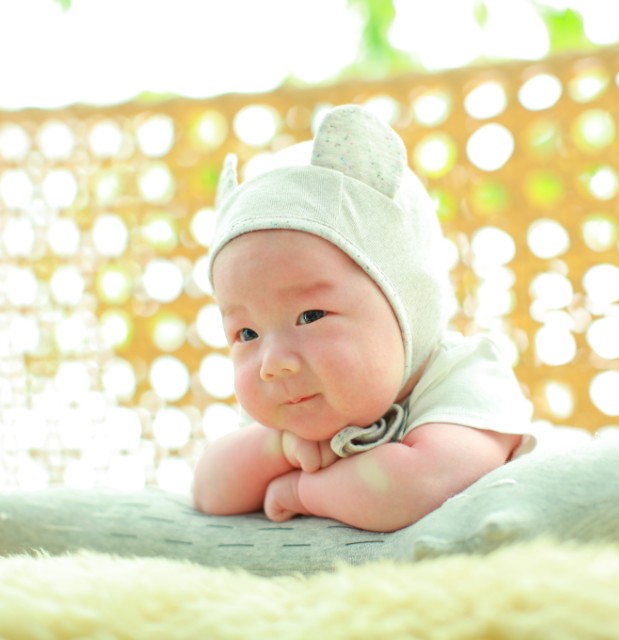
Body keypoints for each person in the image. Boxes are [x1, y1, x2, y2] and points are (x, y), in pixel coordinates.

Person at [192, 105, 536, 532]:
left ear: (404, 303)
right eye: (246, 333)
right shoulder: (291, 408)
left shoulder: (461, 375)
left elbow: (416, 486)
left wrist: (301, 491)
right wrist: (279, 448)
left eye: (310, 316)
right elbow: (208, 491)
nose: (271, 362)